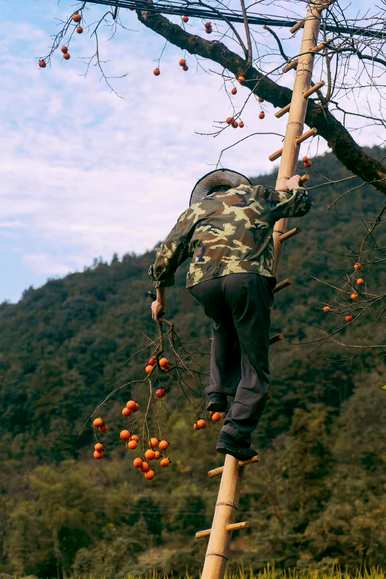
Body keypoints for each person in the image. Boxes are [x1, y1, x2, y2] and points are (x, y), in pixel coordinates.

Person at [148, 169, 311, 460]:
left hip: (203, 284)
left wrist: (160, 298)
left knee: (222, 325)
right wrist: (295, 185)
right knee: (255, 364)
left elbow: (165, 257)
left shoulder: (194, 211)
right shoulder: (256, 195)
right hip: (246, 280)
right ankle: (235, 433)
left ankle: (218, 392)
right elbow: (301, 204)